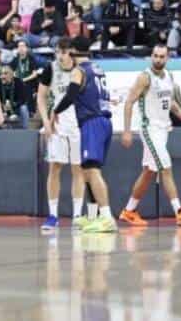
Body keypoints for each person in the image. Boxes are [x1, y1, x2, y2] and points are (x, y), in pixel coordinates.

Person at [118, 45, 181, 227]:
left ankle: (129, 211)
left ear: (167, 58)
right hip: (150, 129)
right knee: (166, 167)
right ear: (151, 56)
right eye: (155, 56)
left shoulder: (168, 77)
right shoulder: (145, 77)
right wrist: (126, 130)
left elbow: (172, 104)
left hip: (163, 129)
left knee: (149, 171)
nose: (157, 59)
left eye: (161, 56)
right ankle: (179, 212)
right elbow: (129, 102)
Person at [51, 36, 116, 233]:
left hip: (92, 122)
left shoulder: (79, 71)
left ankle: (106, 217)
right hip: (104, 121)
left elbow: (70, 96)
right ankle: (93, 216)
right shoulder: (97, 67)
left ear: (72, 51)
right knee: (89, 170)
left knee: (92, 172)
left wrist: (55, 111)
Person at [36, 39, 86, 233]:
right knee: (55, 168)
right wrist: (46, 122)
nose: (60, 55)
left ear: (71, 52)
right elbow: (40, 97)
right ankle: (53, 215)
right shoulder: (50, 69)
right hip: (57, 125)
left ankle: (77, 216)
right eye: (57, 51)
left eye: (64, 51)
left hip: (78, 125)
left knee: (78, 170)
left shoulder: (80, 70)